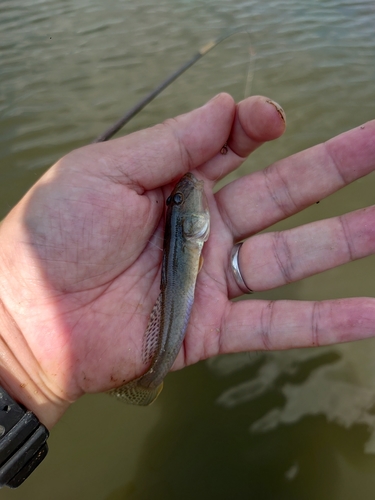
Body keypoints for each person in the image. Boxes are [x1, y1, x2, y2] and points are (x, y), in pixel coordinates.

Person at [0, 93, 374, 431]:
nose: (182, 196)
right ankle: (150, 376)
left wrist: (23, 358)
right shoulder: (188, 226)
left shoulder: (192, 224)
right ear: (187, 223)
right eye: (176, 203)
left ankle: (148, 377)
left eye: (174, 203)